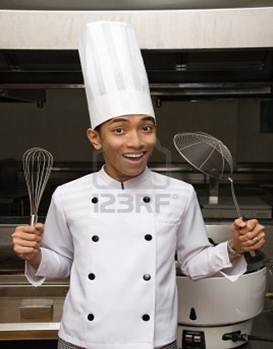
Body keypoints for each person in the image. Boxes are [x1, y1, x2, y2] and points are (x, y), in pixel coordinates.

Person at [12, 22, 266, 349]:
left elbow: (193, 262)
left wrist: (235, 249)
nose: (137, 141)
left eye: (146, 128)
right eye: (119, 130)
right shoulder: (68, 195)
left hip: (153, 341)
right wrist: (33, 255)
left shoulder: (178, 194)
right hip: (81, 340)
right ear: (95, 138)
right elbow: (61, 263)